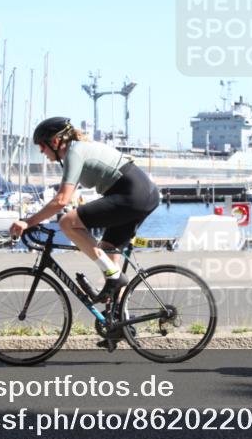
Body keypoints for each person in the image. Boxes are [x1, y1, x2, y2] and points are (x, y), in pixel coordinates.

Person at [10, 117, 160, 339]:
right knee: (107, 253)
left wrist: (28, 222)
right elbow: (66, 198)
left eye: (42, 145)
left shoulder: (74, 152)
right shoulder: (76, 151)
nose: (41, 151)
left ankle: (114, 276)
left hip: (132, 194)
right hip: (140, 194)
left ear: (55, 141)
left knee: (66, 223)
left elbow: (62, 200)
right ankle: (121, 323)